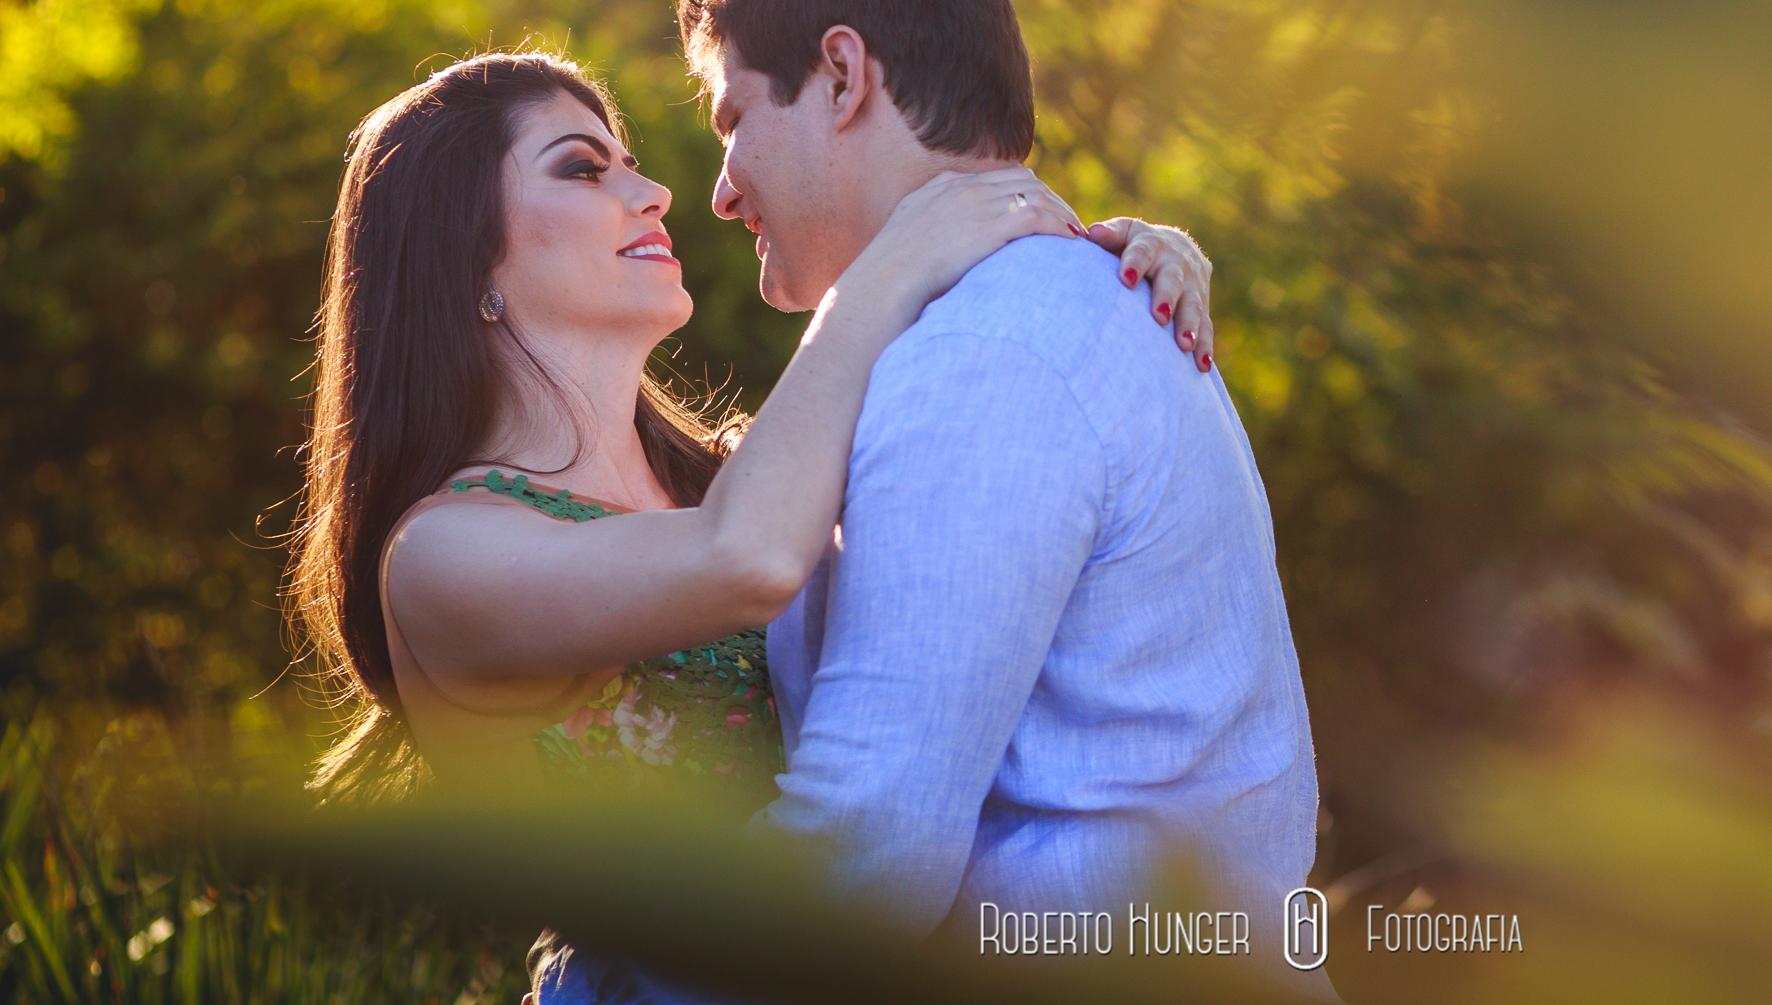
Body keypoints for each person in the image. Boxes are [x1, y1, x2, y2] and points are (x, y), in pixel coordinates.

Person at [533, 0, 1340, 1005]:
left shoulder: (986, 352)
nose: (716, 190)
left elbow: (859, 873)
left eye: (731, 122)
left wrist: (602, 975)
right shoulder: (1046, 309)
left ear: (843, 77)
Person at [283, 49, 1211, 799]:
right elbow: (747, 561)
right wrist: (886, 269)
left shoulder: (739, 475)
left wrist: (1109, 271)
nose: (654, 195)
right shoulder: (443, 556)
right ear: (462, 253)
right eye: (581, 167)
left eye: (632, 163)